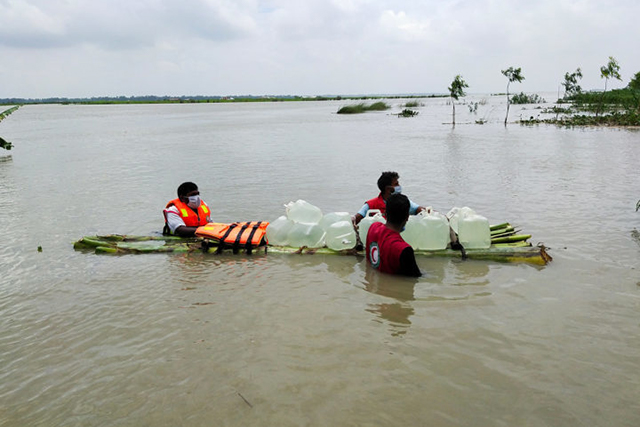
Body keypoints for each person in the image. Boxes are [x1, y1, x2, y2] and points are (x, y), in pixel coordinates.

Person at [366, 193, 421, 277]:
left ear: (385, 213)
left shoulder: (373, 227)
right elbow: (415, 279)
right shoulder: (404, 250)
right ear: (407, 217)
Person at [354, 171, 428, 225]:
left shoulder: (403, 202)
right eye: (396, 184)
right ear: (388, 189)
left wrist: (432, 213)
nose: (399, 186)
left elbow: (419, 210)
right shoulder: (371, 205)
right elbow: (356, 218)